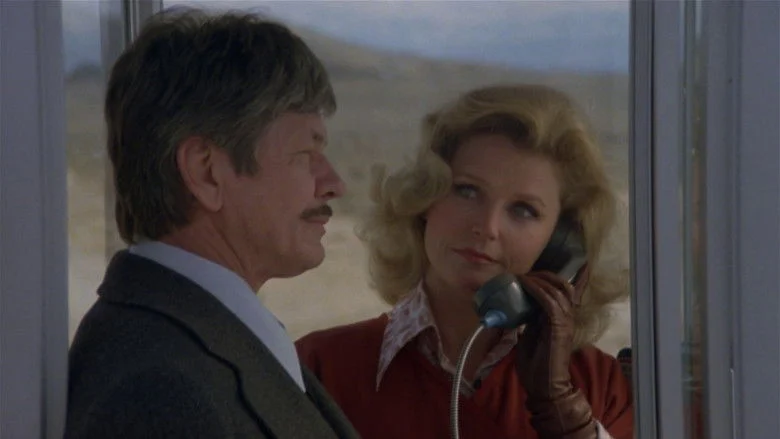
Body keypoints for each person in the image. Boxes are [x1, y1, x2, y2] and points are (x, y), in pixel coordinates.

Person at [65, 8, 359, 439]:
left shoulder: (186, 344)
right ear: (206, 173)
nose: (334, 184)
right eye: (305, 154)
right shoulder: (160, 394)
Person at [296, 84, 633, 439]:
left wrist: (563, 414)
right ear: (425, 197)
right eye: (467, 191)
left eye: (523, 210)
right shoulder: (319, 367)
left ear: (561, 243)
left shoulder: (599, 388)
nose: (487, 227)